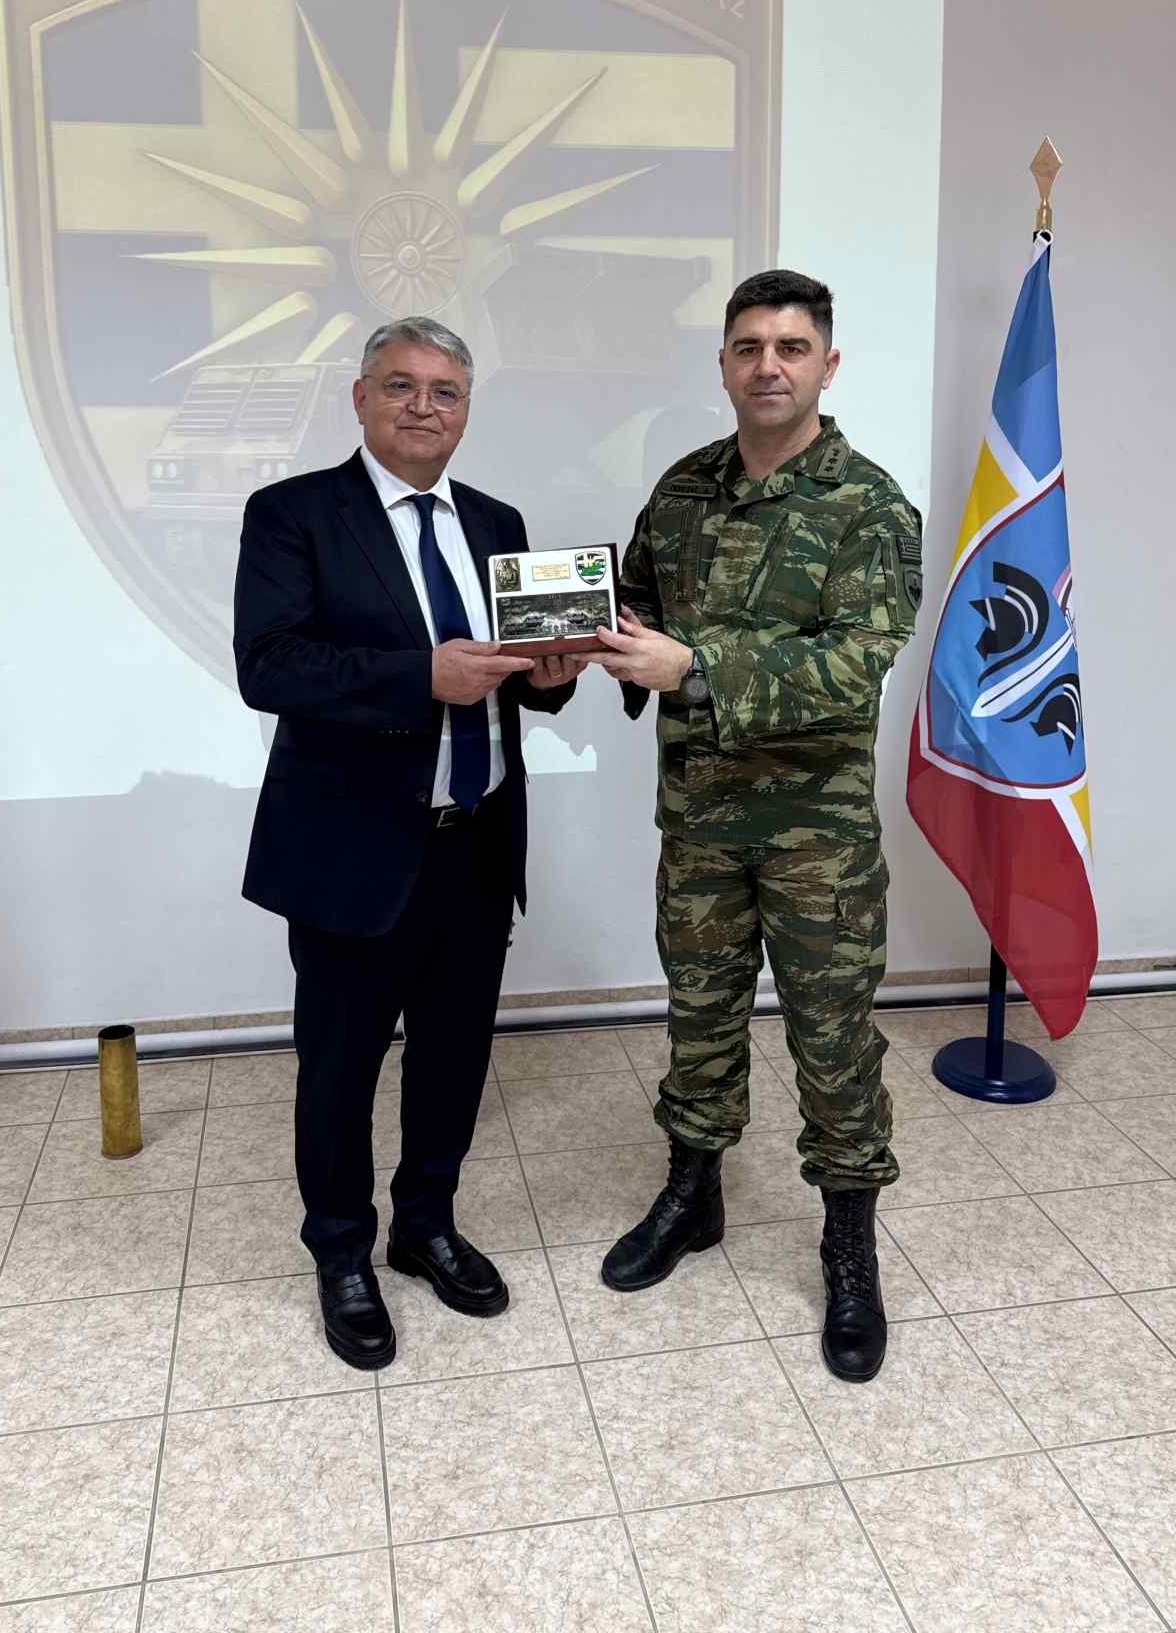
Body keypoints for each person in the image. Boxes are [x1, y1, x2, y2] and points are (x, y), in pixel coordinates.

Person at [234, 317, 583, 1371]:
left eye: (446, 390)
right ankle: (341, 1251)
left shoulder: (497, 521)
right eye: (401, 385)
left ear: (467, 408)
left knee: (453, 1056)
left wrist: (554, 672)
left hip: (477, 840)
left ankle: (424, 1223)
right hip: (353, 851)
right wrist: (417, 677)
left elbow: (521, 678)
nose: (424, 406)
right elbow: (269, 666)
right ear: (360, 398)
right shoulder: (294, 514)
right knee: (338, 1069)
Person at [595, 269, 922, 1383]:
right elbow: (635, 604)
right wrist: (574, 637)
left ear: (827, 364)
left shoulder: (869, 505)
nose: (768, 365)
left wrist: (694, 667)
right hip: (699, 823)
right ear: (725, 365)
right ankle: (693, 1194)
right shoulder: (684, 488)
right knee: (699, 1017)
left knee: (834, 1043)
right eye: (748, 347)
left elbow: (857, 662)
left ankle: (848, 1245)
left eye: (790, 347)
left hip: (813, 838)